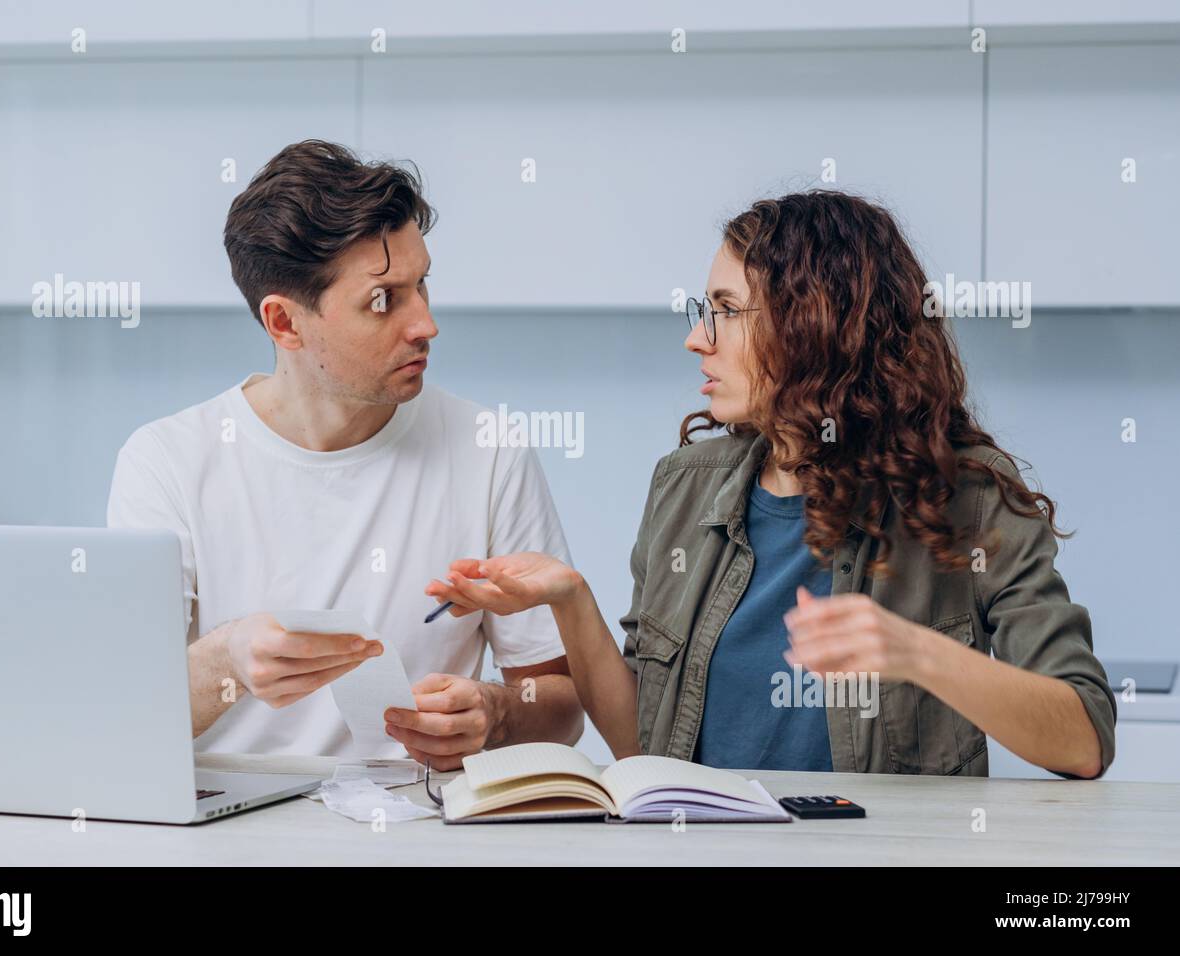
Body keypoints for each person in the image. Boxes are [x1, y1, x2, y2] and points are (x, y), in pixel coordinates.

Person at [425, 190, 1116, 778]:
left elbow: (1084, 737)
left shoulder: (968, 497)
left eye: (725, 309)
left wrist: (918, 653)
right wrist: (571, 599)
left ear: (814, 325)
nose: (698, 338)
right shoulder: (685, 488)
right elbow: (644, 748)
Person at [107, 140, 583, 768]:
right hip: (225, 833)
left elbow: (561, 703)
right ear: (285, 323)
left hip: (419, 826)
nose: (425, 324)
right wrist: (226, 663)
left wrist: (497, 711)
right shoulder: (166, 461)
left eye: (422, 286)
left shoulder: (489, 452)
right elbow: (123, 714)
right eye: (383, 300)